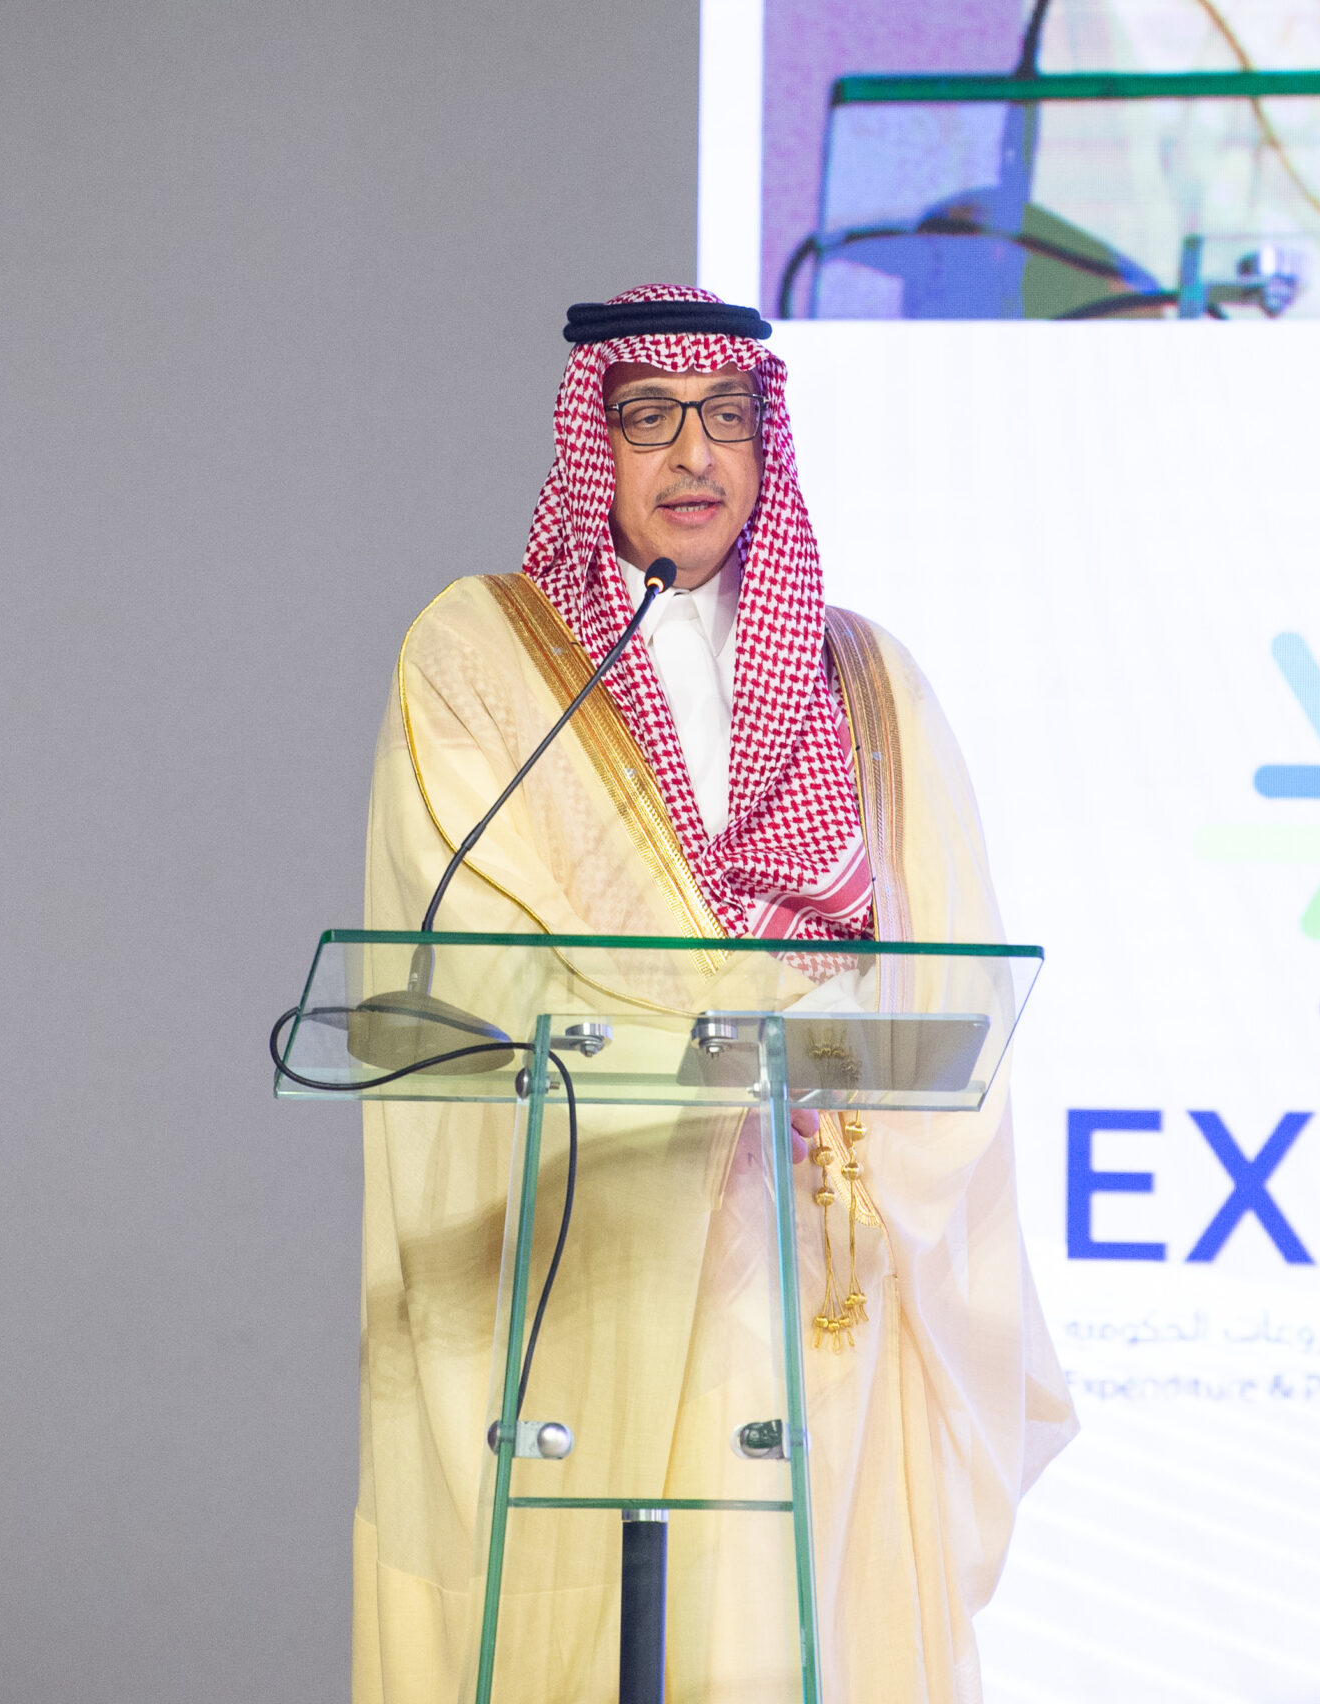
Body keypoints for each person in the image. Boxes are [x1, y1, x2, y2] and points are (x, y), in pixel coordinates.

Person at [352, 283, 1074, 1703]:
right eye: (651, 420)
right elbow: (468, 937)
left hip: (809, 1230)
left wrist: (821, 1050)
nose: (696, 456)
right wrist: (701, 1044)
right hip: (597, 1235)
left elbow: (946, 958)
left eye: (728, 418)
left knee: (780, 1627)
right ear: (592, 442)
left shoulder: (863, 675)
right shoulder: (488, 658)